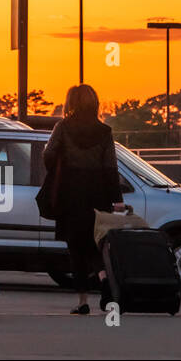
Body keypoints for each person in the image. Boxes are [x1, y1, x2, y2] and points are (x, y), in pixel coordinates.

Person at [43, 83, 125, 315]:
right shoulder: (105, 131)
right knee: (94, 244)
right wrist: (116, 199)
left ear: (71, 103)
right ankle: (104, 280)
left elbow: (48, 155)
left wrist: (60, 165)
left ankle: (82, 301)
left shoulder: (63, 127)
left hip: (70, 195)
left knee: (76, 247)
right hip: (97, 195)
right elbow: (111, 167)